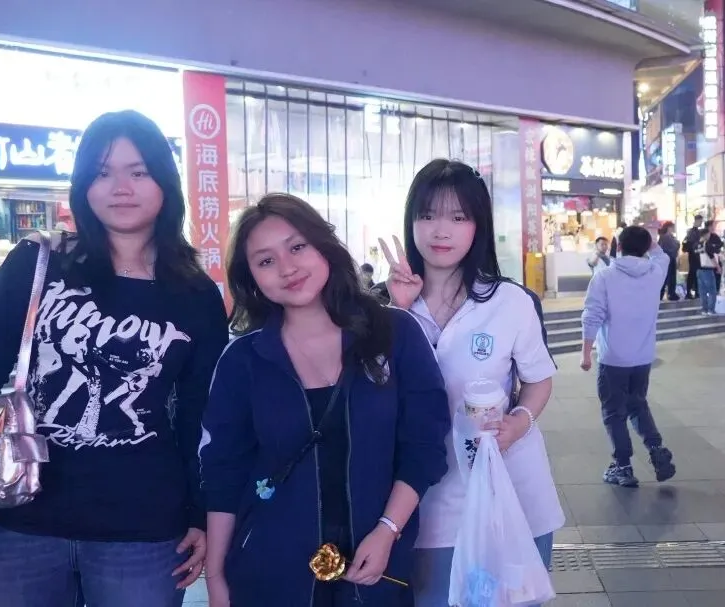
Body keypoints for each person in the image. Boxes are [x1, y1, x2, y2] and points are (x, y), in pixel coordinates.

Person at [0, 110, 229, 606]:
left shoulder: (195, 294)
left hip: (144, 531)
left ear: (165, 184)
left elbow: (200, 415)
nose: (120, 188)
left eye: (138, 171)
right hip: (26, 517)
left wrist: (200, 511)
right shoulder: (37, 263)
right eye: (102, 173)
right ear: (84, 186)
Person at [199, 193, 450, 607]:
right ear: (251, 278)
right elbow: (223, 474)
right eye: (266, 260)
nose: (287, 268)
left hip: (374, 573)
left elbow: (424, 446)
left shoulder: (393, 333)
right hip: (269, 575)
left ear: (323, 246)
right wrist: (215, 578)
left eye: (297, 247)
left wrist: (388, 529)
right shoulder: (242, 360)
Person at [378, 159, 563, 607]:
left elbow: (538, 380)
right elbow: (377, 393)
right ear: (411, 222)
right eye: (427, 215)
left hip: (512, 495)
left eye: (458, 217)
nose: (441, 231)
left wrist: (519, 422)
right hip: (427, 501)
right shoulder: (383, 311)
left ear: (478, 225)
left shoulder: (510, 301)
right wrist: (398, 311)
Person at [580, 226, 675, 487]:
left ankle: (622, 467)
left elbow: (592, 315)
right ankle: (656, 449)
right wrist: (648, 240)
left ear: (618, 247)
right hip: (643, 357)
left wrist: (586, 354)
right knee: (637, 404)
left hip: (613, 358)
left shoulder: (604, 276)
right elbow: (661, 254)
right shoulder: (656, 272)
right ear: (645, 247)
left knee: (614, 412)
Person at [696, 229, 720, 316]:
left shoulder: (696, 245)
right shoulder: (707, 244)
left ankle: (704, 309)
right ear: (706, 234)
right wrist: (718, 267)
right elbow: (711, 256)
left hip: (698, 270)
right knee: (712, 291)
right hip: (707, 270)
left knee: (702, 291)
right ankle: (711, 310)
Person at [682, 214, 704, 299]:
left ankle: (695, 292)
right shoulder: (692, 232)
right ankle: (690, 292)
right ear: (697, 221)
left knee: (694, 274)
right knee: (693, 274)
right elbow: (692, 244)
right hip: (694, 255)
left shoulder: (695, 231)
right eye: (700, 221)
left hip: (696, 255)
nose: (701, 223)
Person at [657, 222, 680, 301]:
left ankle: (668, 293)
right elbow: (674, 247)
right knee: (669, 277)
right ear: (669, 228)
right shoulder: (666, 237)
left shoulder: (666, 237)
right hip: (669, 259)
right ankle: (669, 293)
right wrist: (677, 244)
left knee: (669, 277)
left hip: (669, 259)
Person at [703, 220, 723, 294]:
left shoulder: (715, 236)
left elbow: (720, 244)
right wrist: (713, 247)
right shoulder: (703, 237)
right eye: (712, 226)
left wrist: (714, 247)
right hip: (707, 261)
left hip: (716, 258)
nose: (714, 227)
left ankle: (716, 291)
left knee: (717, 275)